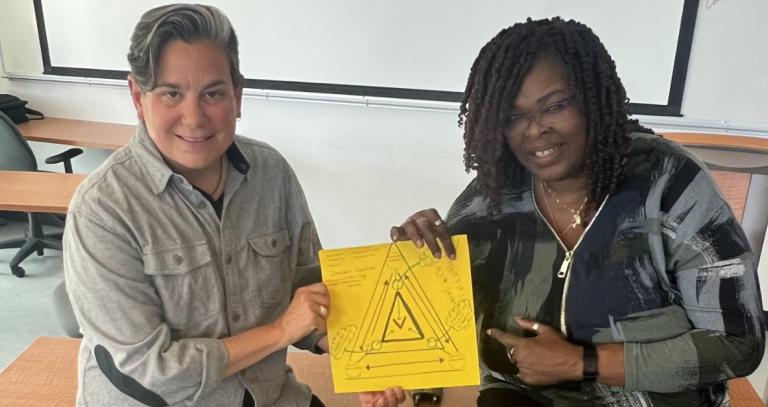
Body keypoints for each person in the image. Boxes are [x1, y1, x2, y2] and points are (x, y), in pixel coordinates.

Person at [391, 18, 765, 406]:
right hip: (520, 397)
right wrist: (420, 266)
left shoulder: (670, 185)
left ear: (592, 98)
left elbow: (739, 343)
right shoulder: (491, 199)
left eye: (553, 106)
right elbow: (442, 326)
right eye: (513, 116)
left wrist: (582, 363)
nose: (535, 129)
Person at [62, 5, 406, 407]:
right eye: (171, 93)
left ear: (238, 95)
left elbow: (309, 290)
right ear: (138, 97)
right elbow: (151, 371)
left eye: (213, 94)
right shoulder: (102, 210)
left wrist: (356, 358)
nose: (194, 117)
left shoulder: (272, 173)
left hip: (268, 395)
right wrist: (280, 331)